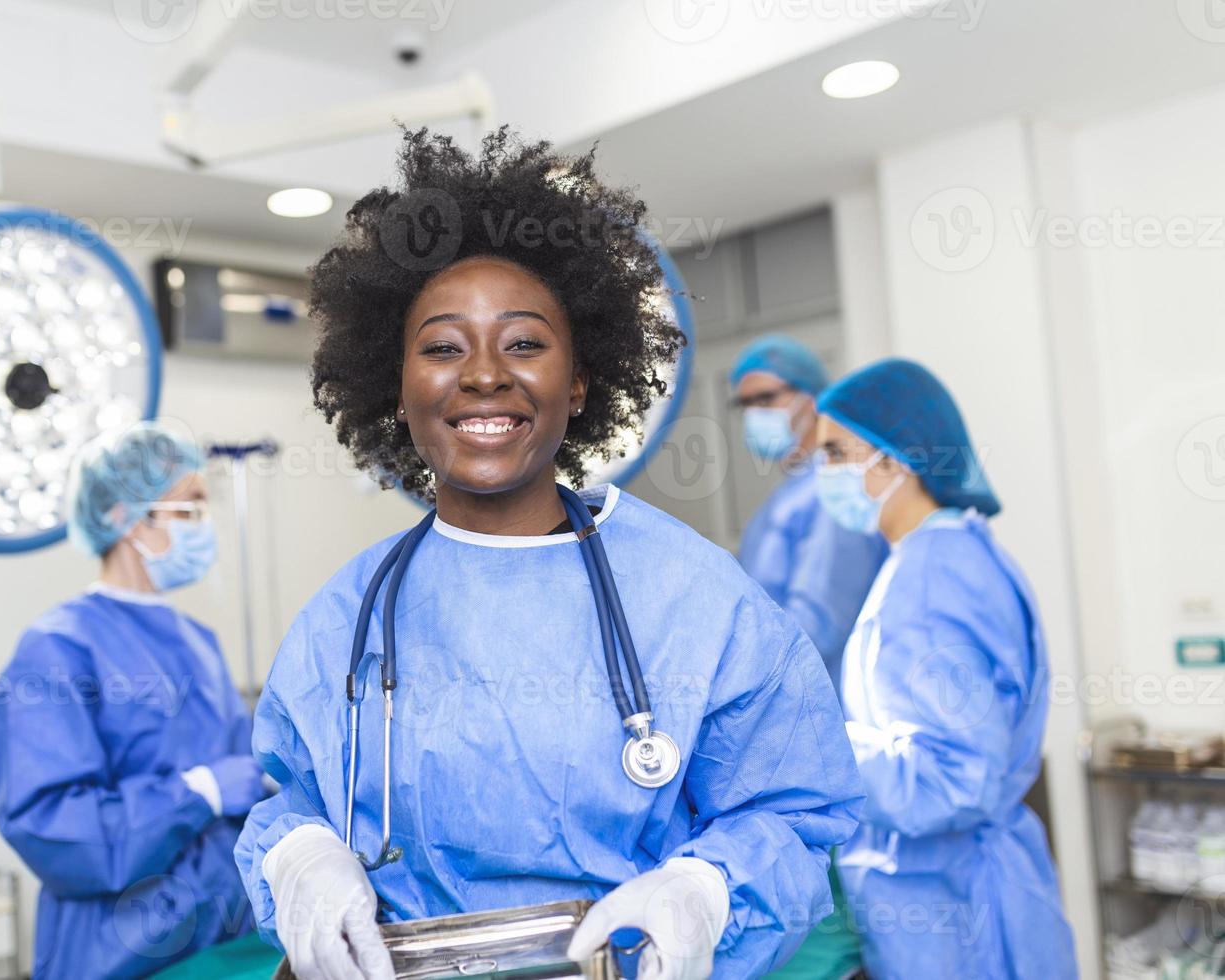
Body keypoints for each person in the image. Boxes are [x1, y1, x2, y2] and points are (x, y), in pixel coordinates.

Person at [234, 127, 864, 980]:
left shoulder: (692, 597)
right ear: (398, 386)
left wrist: (706, 888)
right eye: (443, 347)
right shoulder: (349, 616)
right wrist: (301, 857)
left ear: (579, 381)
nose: (485, 374)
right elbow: (289, 799)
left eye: (524, 343)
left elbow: (792, 811)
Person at [0, 423, 268, 980]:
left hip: (223, 936)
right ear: (123, 517)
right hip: (119, 953)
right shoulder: (59, 647)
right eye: (188, 509)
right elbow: (54, 827)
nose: (203, 527)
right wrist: (196, 792)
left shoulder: (197, 641)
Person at [812, 358, 1077, 979]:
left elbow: (950, 781)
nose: (820, 473)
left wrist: (814, 746)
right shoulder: (962, 551)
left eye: (833, 453)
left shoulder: (930, 582)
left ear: (893, 460)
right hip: (964, 896)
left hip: (955, 914)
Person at [730, 336, 888, 689]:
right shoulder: (792, 492)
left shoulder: (832, 491)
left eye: (766, 399)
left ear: (812, 399)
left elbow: (820, 624)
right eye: (746, 404)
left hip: (819, 698)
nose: (755, 414)